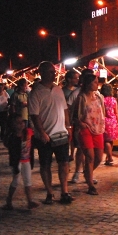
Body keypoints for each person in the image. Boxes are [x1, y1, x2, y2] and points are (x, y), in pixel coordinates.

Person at [29, 61, 73, 205]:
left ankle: (64, 191)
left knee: (64, 163)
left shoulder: (58, 89)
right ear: (41, 73)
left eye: (54, 72)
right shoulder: (36, 92)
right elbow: (34, 115)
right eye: (50, 72)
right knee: (45, 165)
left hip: (61, 133)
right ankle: (49, 192)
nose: (53, 74)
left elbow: (65, 109)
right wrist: (42, 132)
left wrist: (68, 126)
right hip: (45, 136)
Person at [73, 73, 105, 195]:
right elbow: (74, 116)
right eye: (95, 82)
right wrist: (80, 124)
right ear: (88, 84)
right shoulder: (81, 98)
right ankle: (90, 185)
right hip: (86, 129)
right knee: (90, 156)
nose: (97, 84)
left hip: (98, 129)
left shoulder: (99, 97)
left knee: (99, 157)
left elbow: (102, 112)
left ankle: (87, 173)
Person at [2, 113, 39, 210]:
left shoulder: (29, 132)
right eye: (18, 123)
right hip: (17, 161)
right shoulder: (12, 137)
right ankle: (9, 200)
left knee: (28, 180)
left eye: (22, 122)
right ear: (13, 125)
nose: (21, 124)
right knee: (16, 181)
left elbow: (34, 140)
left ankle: (30, 201)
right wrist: (15, 166)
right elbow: (12, 152)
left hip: (26, 160)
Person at [62, 70, 80, 165]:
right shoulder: (63, 91)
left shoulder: (77, 90)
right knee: (68, 136)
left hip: (75, 117)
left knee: (73, 137)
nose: (77, 80)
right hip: (66, 117)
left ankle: (72, 154)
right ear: (69, 79)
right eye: (75, 78)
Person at [101, 83, 118, 166]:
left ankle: (110, 158)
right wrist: (117, 121)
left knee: (106, 140)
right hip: (113, 121)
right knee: (111, 140)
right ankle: (108, 157)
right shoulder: (113, 100)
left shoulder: (102, 100)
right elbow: (116, 112)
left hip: (105, 121)